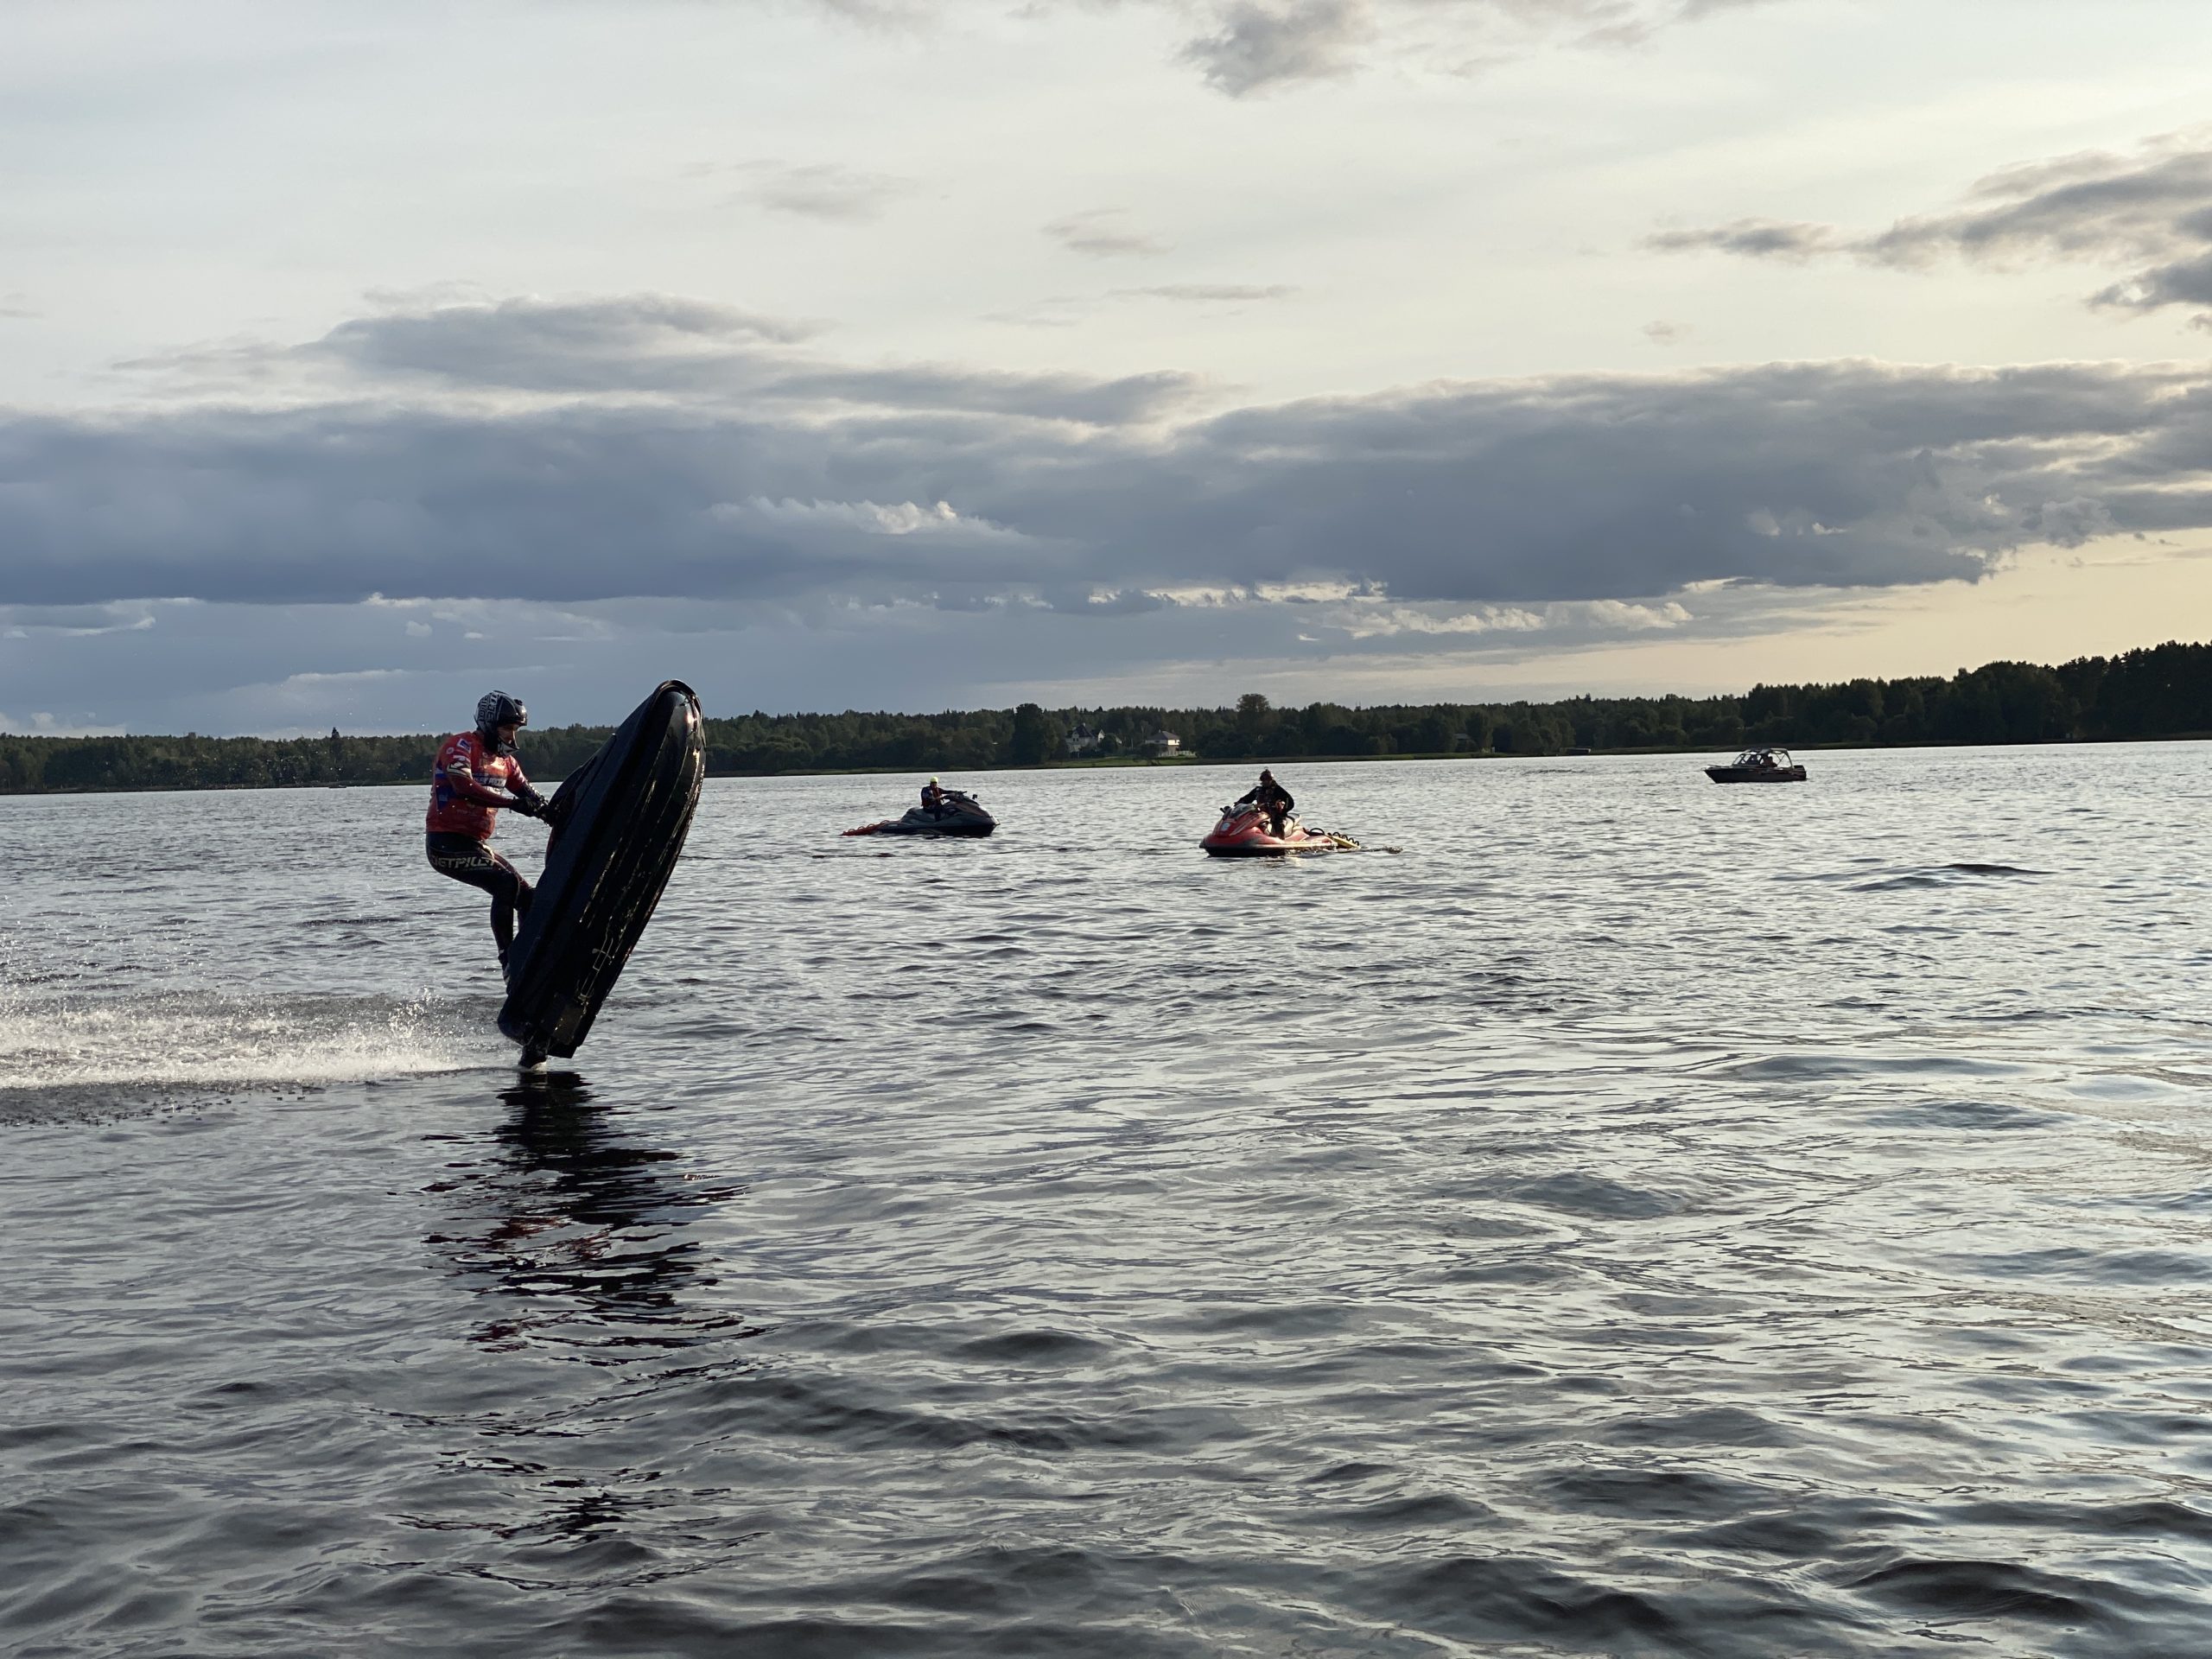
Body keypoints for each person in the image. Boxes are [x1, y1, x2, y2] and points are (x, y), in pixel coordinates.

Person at [426, 690, 551, 979]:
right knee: (505, 884)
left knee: (529, 898)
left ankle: (530, 959)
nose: (511, 737)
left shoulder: (506, 763)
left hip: (475, 845)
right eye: (507, 728)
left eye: (515, 730)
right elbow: (463, 787)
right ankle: (509, 961)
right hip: (445, 845)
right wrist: (512, 804)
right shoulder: (460, 746)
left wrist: (555, 813)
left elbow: (531, 797)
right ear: (488, 724)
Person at [1236, 768, 1294, 837]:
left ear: (1271, 780)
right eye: (1263, 780)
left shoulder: (1277, 789)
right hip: (1261, 814)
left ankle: (1280, 838)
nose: (1265, 781)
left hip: (1275, 814)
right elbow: (1247, 799)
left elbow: (1289, 800)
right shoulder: (1258, 790)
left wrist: (1283, 811)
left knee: (1278, 823)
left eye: (1267, 779)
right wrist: (1238, 804)